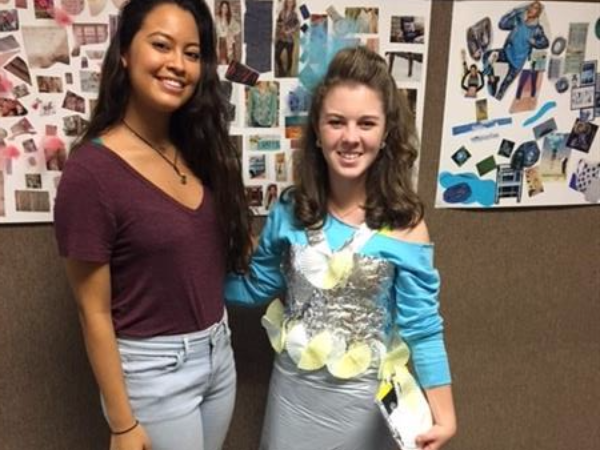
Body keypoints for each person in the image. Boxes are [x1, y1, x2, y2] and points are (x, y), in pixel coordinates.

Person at [226, 46, 456, 450]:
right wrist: (184, 272)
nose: (351, 137)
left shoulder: (406, 224)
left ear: (386, 133)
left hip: (364, 408)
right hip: (292, 400)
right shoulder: (290, 210)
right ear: (317, 129)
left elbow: (423, 327)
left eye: (366, 123)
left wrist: (446, 416)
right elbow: (256, 287)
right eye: (337, 122)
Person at [53, 1, 252, 449]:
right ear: (125, 51)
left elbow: (193, 252)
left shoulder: (198, 148)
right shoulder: (91, 173)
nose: (177, 65)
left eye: (192, 53)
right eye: (161, 45)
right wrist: (123, 424)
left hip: (218, 354)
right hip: (153, 374)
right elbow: (93, 312)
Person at [482, 0, 549, 100]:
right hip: (507, 52)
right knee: (486, 56)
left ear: (538, 13)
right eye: (530, 6)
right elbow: (502, 24)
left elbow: (545, 43)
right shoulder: (519, 21)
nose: (531, 9)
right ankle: (492, 78)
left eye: (535, 8)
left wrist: (534, 41)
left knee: (502, 91)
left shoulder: (537, 29)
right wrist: (516, 10)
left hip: (517, 64)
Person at [274, 0, 300, 77]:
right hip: (281, 38)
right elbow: (278, 22)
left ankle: (288, 71)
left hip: (290, 40)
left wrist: (289, 31)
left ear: (293, 4)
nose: (289, 3)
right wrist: (280, 26)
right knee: (276, 54)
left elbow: (297, 26)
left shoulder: (294, 14)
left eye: (291, 2)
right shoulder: (281, 12)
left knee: (290, 57)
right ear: (286, 3)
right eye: (288, 2)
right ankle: (281, 69)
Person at [215, 0, 240, 65]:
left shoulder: (230, 19)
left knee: (229, 63)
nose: (224, 9)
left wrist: (231, 32)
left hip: (228, 42)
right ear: (220, 8)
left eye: (226, 8)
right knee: (222, 62)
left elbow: (238, 28)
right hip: (220, 42)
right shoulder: (217, 18)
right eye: (223, 7)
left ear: (228, 9)